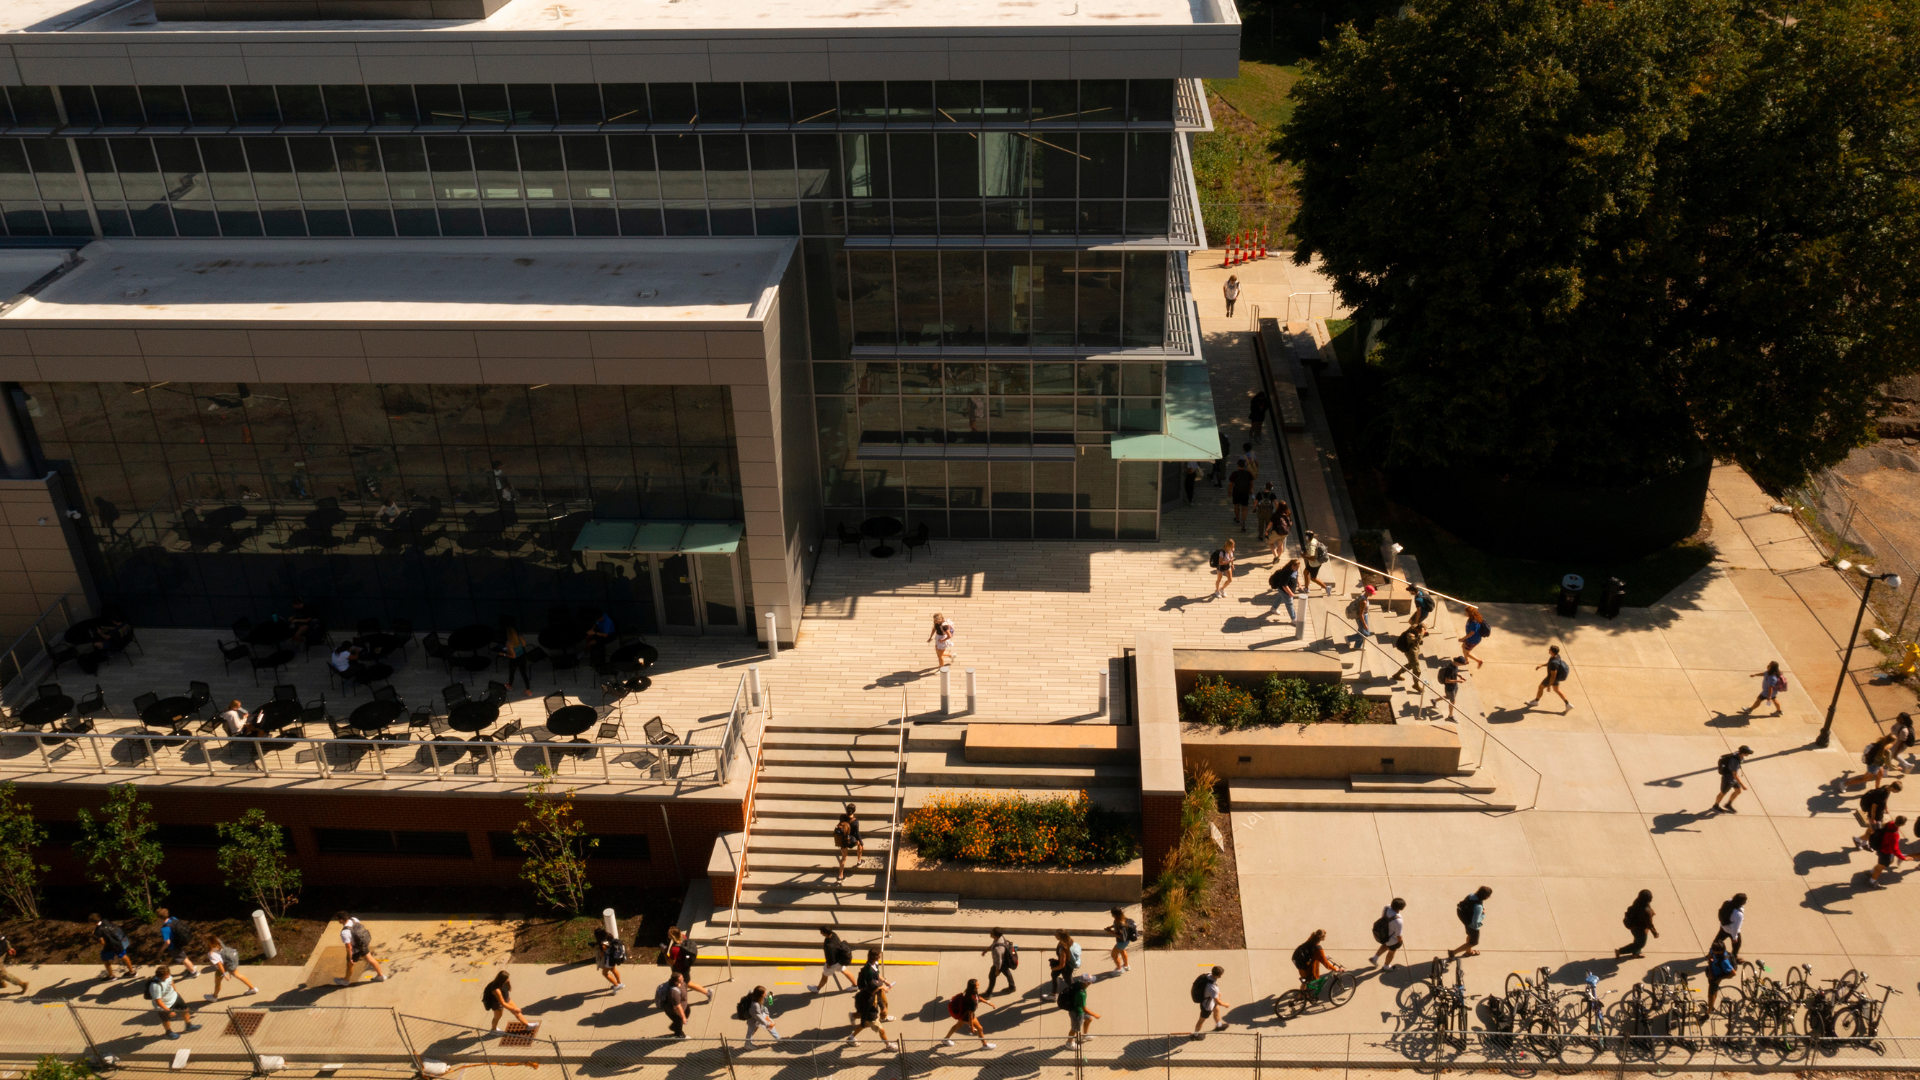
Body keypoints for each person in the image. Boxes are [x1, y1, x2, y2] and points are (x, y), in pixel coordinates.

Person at [846, 951, 896, 1050]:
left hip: (870, 1014)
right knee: (881, 1031)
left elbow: (879, 1001)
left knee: (863, 1025)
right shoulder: (869, 1000)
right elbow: (865, 1011)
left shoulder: (871, 994)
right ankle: (888, 1045)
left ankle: (851, 1037)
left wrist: (882, 1008)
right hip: (871, 1017)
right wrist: (864, 1020)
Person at [939, 978, 997, 1049]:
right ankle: (985, 1045)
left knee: (958, 1025)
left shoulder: (969, 992)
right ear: (974, 987)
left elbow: (978, 998)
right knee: (980, 1028)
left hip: (962, 1014)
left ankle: (946, 1039)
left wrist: (989, 1003)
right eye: (977, 984)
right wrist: (972, 1027)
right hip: (966, 1016)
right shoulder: (972, 1000)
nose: (979, 985)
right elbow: (970, 1014)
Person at [145, 966, 199, 1040]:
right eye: (167, 975)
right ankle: (168, 1032)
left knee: (185, 1009)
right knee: (166, 1019)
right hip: (164, 1004)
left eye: (168, 974)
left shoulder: (168, 976)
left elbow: (171, 981)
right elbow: (158, 1001)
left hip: (174, 997)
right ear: (161, 976)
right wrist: (168, 1010)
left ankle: (189, 1025)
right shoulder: (155, 986)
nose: (168, 976)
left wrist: (175, 991)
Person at [334, 911, 388, 985]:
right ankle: (380, 976)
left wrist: (350, 958)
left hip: (355, 951)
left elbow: (349, 947)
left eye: (337, 919)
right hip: (362, 945)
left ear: (341, 920)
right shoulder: (354, 919)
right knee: (371, 959)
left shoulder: (345, 932)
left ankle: (345, 981)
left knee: (349, 965)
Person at [204, 935, 258, 999]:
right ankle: (252, 988)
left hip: (223, 967)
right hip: (230, 961)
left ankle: (214, 997)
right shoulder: (218, 941)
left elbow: (219, 965)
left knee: (217, 982)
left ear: (208, 942)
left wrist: (224, 974)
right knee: (238, 975)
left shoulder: (212, 954)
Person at [1856, 780, 1903, 850]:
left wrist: (1886, 807)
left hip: (1879, 814)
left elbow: (1885, 800)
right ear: (1893, 788)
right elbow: (1873, 806)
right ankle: (1857, 839)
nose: (1897, 792)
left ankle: (1863, 843)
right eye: (1897, 791)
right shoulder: (1882, 794)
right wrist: (1872, 818)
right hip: (1875, 816)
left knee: (1871, 829)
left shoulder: (1887, 788)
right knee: (1875, 832)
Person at [666, 927, 710, 999]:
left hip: (681, 969)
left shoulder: (674, 949)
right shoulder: (683, 936)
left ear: (673, 936)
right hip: (685, 965)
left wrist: (665, 953)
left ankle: (707, 992)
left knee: (688, 983)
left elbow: (671, 963)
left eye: (669, 934)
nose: (667, 934)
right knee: (675, 982)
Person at [1448, 886, 1492, 958]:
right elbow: (1476, 922)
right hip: (1473, 926)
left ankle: (1469, 952)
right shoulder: (1479, 907)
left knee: (1469, 935)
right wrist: (1483, 914)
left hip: (1466, 920)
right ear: (1486, 896)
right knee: (1474, 942)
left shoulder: (1471, 895)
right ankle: (1453, 952)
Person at [1616, 890, 1659, 959]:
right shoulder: (1646, 911)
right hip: (1640, 930)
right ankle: (1620, 951)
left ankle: (1636, 953)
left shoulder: (1637, 902)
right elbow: (1650, 924)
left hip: (1634, 928)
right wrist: (1655, 933)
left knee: (1637, 941)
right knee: (1640, 944)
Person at [1868, 815, 1910, 886]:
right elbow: (1895, 849)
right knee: (1881, 866)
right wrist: (1903, 858)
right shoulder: (1894, 835)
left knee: (1883, 863)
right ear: (1903, 824)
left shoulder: (1890, 823)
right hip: (1885, 851)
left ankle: (1872, 871)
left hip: (1881, 846)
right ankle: (1872, 881)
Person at [1711, 745, 1754, 813]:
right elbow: (1735, 775)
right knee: (1723, 793)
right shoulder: (1735, 761)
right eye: (1748, 753)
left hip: (1733, 779)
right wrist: (1743, 785)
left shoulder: (1739, 755)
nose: (1749, 754)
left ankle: (1728, 804)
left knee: (1738, 791)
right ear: (1743, 753)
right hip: (1728, 779)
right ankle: (1715, 806)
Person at [156, 909, 199, 977]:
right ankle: (191, 967)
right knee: (183, 956)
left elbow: (167, 942)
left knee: (183, 959)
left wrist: (162, 949)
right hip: (180, 941)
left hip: (174, 946)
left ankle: (193, 972)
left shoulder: (164, 929)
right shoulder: (173, 918)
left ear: (159, 917)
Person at [498, 617, 533, 697]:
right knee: (524, 674)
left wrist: (503, 654)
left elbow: (513, 656)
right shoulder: (520, 637)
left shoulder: (509, 643)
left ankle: (510, 686)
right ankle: (528, 690)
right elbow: (524, 645)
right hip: (522, 657)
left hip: (514, 660)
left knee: (512, 673)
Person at [92, 914, 135, 979]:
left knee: (105, 959)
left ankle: (111, 976)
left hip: (110, 947)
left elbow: (103, 943)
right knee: (124, 956)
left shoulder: (98, 931)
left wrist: (95, 938)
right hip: (118, 943)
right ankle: (132, 972)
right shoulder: (105, 921)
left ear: (92, 922)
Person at [1368, 898, 1406, 969]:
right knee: (1391, 952)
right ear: (1401, 908)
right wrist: (1399, 942)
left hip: (1384, 934)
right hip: (1392, 939)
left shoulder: (1387, 907)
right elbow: (1398, 935)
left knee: (1385, 945)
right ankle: (1386, 966)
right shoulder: (1398, 920)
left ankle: (1375, 958)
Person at [813, 927, 854, 992]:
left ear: (824, 933)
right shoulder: (834, 934)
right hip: (839, 959)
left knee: (824, 976)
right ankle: (855, 986)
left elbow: (831, 959)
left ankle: (817, 989)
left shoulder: (829, 946)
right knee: (845, 971)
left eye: (821, 932)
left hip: (834, 964)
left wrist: (829, 965)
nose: (820, 933)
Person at [1192, 964, 1228, 1037]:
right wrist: (1225, 1004)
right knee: (1201, 1021)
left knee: (1216, 1010)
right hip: (1207, 1006)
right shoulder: (1213, 988)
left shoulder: (1208, 974)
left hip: (1211, 1001)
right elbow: (1218, 1001)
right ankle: (1195, 1035)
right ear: (1219, 975)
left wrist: (1216, 994)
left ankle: (1219, 1025)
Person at [834, 803, 867, 884]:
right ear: (854, 811)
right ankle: (859, 862)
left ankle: (840, 876)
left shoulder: (842, 817)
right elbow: (857, 834)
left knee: (843, 858)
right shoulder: (855, 821)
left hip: (843, 841)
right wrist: (862, 844)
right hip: (851, 841)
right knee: (858, 843)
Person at [1062, 975, 1099, 1045]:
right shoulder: (1081, 994)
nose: (1091, 982)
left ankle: (1086, 1035)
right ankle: (1069, 1043)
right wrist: (1095, 1015)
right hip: (1077, 1012)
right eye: (1090, 981)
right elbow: (1084, 1009)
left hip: (1079, 1009)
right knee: (1074, 1029)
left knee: (1089, 1019)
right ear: (1086, 983)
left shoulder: (1079, 983)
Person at [982, 928, 1017, 998]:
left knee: (992, 977)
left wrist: (997, 970)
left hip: (1000, 963)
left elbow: (999, 961)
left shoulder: (998, 949)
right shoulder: (1000, 938)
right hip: (1005, 961)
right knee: (1007, 972)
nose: (990, 933)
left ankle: (988, 993)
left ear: (995, 935)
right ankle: (1012, 987)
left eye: (992, 933)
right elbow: (993, 945)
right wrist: (986, 950)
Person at [1705, 939, 1738, 1007]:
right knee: (1713, 990)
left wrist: (1719, 978)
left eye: (1720, 954)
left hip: (1718, 975)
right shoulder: (1713, 951)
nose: (1718, 955)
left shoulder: (1724, 961)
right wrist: (1710, 972)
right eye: (1716, 953)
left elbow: (1733, 973)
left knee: (1711, 994)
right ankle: (1711, 1006)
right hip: (1712, 972)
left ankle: (1709, 1010)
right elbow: (1710, 957)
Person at [1713, 893, 1746, 962]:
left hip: (1723, 926)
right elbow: (1735, 928)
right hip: (1731, 930)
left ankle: (1712, 952)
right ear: (1742, 902)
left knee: (1718, 940)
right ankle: (1734, 956)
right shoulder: (1738, 914)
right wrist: (1734, 937)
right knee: (1737, 944)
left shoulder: (1728, 902)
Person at [656, 971, 689, 1038]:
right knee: (679, 1022)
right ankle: (680, 1035)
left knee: (687, 1011)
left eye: (682, 977)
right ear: (676, 982)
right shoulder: (674, 992)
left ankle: (674, 1026)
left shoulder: (682, 983)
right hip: (674, 1012)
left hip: (683, 1006)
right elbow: (678, 1006)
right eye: (681, 978)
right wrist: (683, 1018)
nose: (683, 978)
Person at [592, 927, 625, 991]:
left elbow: (601, 954)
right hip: (613, 957)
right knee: (614, 970)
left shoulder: (603, 944)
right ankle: (619, 983)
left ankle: (616, 985)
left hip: (608, 961)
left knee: (605, 973)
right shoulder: (609, 935)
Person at [1302, 531, 1334, 596]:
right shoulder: (1314, 540)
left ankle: (1326, 588)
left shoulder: (1312, 546)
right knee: (1306, 572)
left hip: (1314, 564)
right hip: (1313, 563)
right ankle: (1306, 588)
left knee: (1313, 578)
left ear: (1307, 537)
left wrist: (1305, 557)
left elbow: (1312, 558)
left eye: (1306, 536)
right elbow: (1307, 549)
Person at [1227, 459, 1254, 530]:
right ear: (1244, 465)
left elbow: (1231, 484)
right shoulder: (1248, 473)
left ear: (1238, 465)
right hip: (1245, 492)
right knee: (1245, 507)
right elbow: (1251, 483)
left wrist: (1229, 492)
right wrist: (1250, 490)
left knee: (1236, 505)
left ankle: (1237, 519)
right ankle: (1244, 521)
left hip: (1236, 492)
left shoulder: (1234, 474)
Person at [1109, 908, 1136, 973]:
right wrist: (1110, 927)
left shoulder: (1121, 925)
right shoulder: (1123, 919)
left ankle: (1119, 969)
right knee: (1122, 951)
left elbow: (1122, 937)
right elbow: (1115, 924)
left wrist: (1110, 932)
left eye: (1112, 914)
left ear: (1114, 915)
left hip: (1122, 942)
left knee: (1114, 955)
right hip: (1124, 942)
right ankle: (1126, 966)